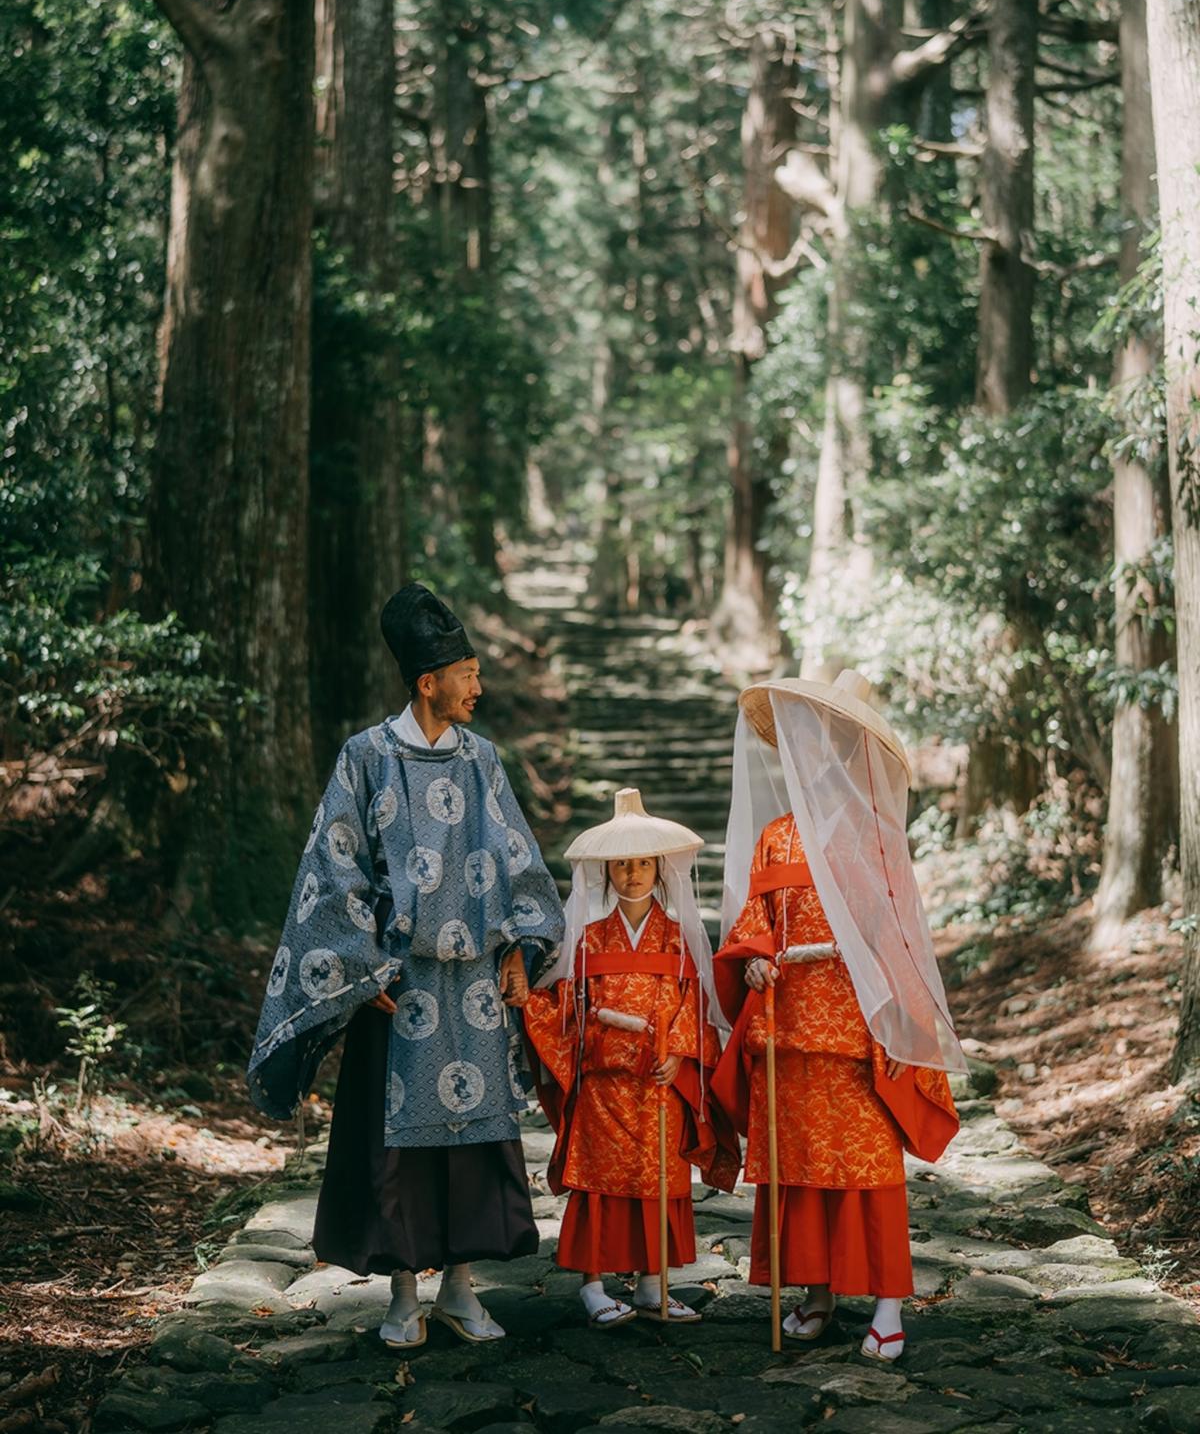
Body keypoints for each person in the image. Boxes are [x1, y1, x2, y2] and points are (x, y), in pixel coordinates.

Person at [247, 582, 565, 1349]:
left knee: (474, 1144)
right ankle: (401, 1296)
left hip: (476, 986)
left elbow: (519, 861)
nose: (478, 688)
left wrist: (522, 951)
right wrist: (364, 968)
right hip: (402, 985)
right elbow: (334, 869)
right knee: (398, 1147)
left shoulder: (483, 760)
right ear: (429, 682)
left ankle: (460, 1289)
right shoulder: (366, 758)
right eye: (467, 674)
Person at [713, 671, 964, 1362]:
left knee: (868, 1170)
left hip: (857, 1028)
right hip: (789, 1025)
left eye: (835, 747)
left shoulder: (876, 839)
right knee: (796, 1168)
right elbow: (754, 920)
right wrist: (755, 958)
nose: (821, 759)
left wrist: (891, 1005)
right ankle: (815, 1290)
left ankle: (887, 1302)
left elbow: (901, 938)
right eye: (811, 746)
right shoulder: (777, 838)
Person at [524, 790, 739, 1328]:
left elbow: (696, 1005)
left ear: (660, 870)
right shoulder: (588, 940)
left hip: (661, 1082)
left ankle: (650, 1283)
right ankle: (593, 1284)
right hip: (602, 1085)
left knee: (660, 1182)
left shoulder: (680, 942)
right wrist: (527, 999)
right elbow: (566, 1009)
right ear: (607, 873)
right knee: (598, 1183)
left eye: (644, 863)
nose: (634, 873)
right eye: (623, 864)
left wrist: (685, 1060)